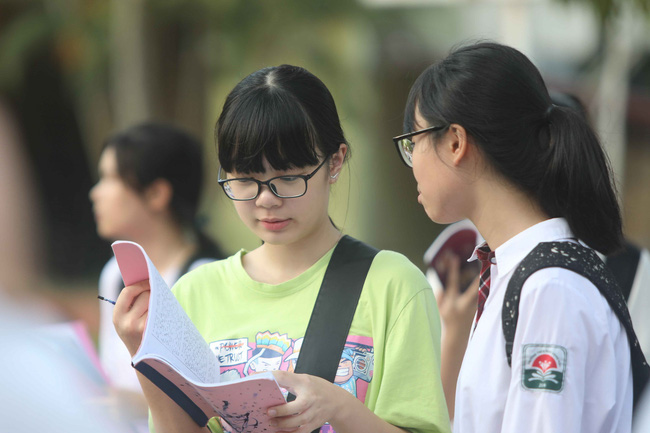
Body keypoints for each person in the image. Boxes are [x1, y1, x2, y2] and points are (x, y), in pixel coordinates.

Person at [112, 64, 450, 433]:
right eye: (245, 180)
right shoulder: (194, 293)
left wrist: (337, 407)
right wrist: (147, 359)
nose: (266, 200)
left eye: (288, 178)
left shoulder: (393, 285)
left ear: (335, 161)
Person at [393, 42, 634, 432]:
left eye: (412, 142)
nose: (411, 161)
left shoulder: (549, 289)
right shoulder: (521, 274)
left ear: (455, 142)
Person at [89, 122, 225, 431]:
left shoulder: (203, 278)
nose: (95, 192)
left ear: (156, 193)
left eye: (110, 178)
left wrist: (138, 406)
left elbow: (220, 405)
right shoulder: (113, 274)